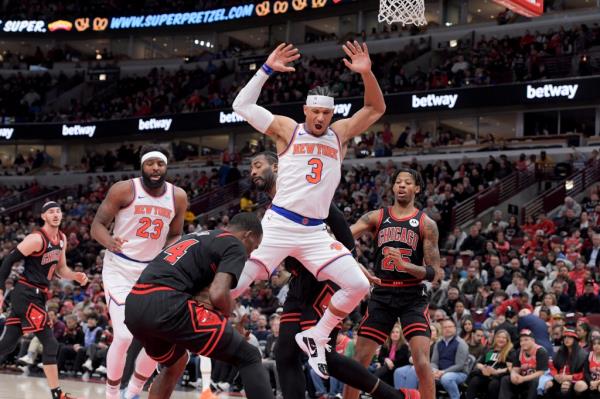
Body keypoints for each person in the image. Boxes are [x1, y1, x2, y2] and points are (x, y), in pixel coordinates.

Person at [230, 41, 386, 378]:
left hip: (315, 231)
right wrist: (267, 69)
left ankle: (316, 335)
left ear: (332, 114)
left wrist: (367, 73)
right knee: (237, 284)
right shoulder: (288, 129)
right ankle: (196, 322)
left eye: (326, 113)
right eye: (315, 112)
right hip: (279, 224)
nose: (320, 118)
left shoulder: (340, 134)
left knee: (358, 285)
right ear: (305, 110)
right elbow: (241, 104)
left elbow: (375, 109)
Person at [249, 152, 418, 399]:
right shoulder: (272, 208)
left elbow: (340, 225)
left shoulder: (305, 192)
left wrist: (350, 263)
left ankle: (396, 397)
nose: (253, 172)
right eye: (251, 168)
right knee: (285, 353)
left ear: (276, 166)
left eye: (257, 165)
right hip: (299, 282)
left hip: (324, 280)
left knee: (324, 355)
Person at [124, 213, 272, 399]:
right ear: (247, 235)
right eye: (254, 247)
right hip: (167, 304)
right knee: (249, 355)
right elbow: (218, 293)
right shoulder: (235, 244)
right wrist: (229, 319)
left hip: (135, 305)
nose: (250, 254)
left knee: (176, 362)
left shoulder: (196, 237)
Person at [91, 145, 188, 399]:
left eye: (160, 164)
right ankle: (112, 394)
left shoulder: (178, 196)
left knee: (157, 337)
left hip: (152, 271)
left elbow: (176, 233)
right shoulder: (123, 189)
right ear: (142, 166)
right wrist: (109, 241)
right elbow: (97, 225)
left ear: (166, 167)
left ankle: (133, 391)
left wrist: (169, 251)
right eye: (150, 163)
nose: (156, 168)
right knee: (123, 336)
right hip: (120, 266)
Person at [345, 168, 442, 399]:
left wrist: (406, 265)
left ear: (416, 189)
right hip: (382, 293)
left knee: (421, 360)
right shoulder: (376, 217)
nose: (401, 185)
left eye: (407, 182)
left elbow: (435, 273)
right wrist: (356, 264)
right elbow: (342, 238)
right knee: (359, 361)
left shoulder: (426, 224)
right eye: (398, 182)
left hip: (412, 297)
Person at [0, 202, 88, 399]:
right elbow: (8, 260)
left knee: (7, 345)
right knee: (50, 344)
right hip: (26, 293)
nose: (56, 214)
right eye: (51, 212)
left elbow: (61, 269)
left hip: (39, 296)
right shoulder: (36, 238)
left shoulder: (62, 238)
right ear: (43, 216)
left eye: (58, 211)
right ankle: (57, 394)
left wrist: (75, 276)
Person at [499, 329, 550, 399]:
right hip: (523, 378)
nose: (523, 343)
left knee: (534, 381)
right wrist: (513, 375)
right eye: (521, 340)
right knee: (505, 379)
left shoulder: (541, 351)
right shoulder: (519, 351)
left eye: (526, 340)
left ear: (533, 341)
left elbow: (541, 372)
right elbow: (515, 368)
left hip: (537, 379)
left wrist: (523, 378)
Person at [465, 329, 514, 399]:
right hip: (486, 375)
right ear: (495, 338)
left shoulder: (510, 352)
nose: (501, 339)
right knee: (475, 381)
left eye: (504, 338)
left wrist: (497, 371)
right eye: (499, 337)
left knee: (493, 385)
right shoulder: (489, 349)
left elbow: (511, 368)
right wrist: (483, 368)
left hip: (498, 377)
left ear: (507, 340)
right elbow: (478, 363)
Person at [430, 319, 470, 399]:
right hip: (440, 372)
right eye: (445, 327)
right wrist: (435, 371)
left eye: (450, 327)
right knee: (423, 375)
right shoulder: (438, 343)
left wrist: (443, 372)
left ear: (455, 328)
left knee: (446, 378)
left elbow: (460, 365)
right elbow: (434, 362)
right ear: (442, 330)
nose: (447, 329)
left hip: (459, 373)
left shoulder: (461, 343)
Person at [545, 328, 586, 399]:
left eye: (570, 337)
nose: (566, 339)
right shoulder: (560, 351)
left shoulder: (582, 354)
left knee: (565, 387)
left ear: (575, 340)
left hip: (573, 379)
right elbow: (552, 366)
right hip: (560, 378)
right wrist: (555, 376)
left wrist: (570, 377)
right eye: (565, 337)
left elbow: (585, 372)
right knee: (548, 385)